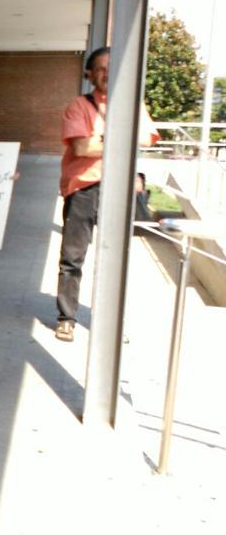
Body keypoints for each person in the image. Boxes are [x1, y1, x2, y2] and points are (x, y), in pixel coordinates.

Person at [55, 46, 160, 342]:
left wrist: (100, 138)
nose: (106, 74)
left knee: (116, 257)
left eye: (111, 68)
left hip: (119, 190)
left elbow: (145, 138)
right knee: (72, 257)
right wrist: (120, 138)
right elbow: (80, 148)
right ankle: (67, 317)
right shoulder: (79, 105)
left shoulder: (131, 103)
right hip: (83, 188)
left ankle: (111, 320)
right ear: (89, 73)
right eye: (100, 68)